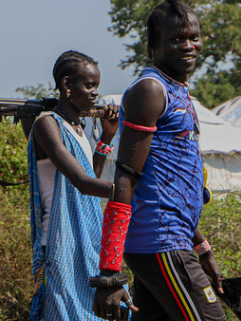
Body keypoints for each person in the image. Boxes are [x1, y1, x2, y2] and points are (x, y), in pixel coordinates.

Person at [91, 1, 227, 320]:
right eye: (177, 39)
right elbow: (125, 179)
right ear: (153, 45)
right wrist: (109, 273)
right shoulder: (150, 91)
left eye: (193, 37)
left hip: (172, 240)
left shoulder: (179, 92)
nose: (189, 46)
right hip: (161, 243)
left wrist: (201, 247)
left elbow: (169, 186)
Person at [28, 50, 120, 321]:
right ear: (67, 85)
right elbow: (81, 183)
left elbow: (89, 174)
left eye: (97, 87)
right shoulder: (48, 124)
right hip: (58, 240)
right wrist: (128, 192)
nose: (95, 94)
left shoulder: (78, 128)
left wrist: (106, 136)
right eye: (89, 85)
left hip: (83, 235)